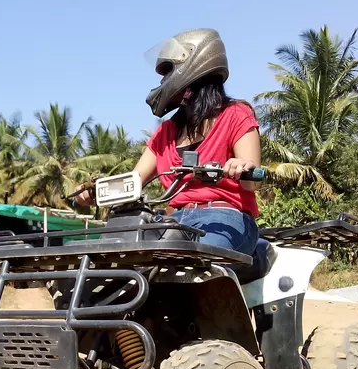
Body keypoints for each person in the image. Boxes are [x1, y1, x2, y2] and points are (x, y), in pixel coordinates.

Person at [76, 28, 261, 254]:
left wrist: (243, 167)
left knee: (188, 261)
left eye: (167, 72)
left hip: (226, 218)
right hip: (173, 222)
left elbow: (253, 180)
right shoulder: (166, 131)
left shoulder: (236, 114)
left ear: (194, 66)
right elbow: (133, 182)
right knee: (117, 258)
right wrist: (93, 193)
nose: (163, 81)